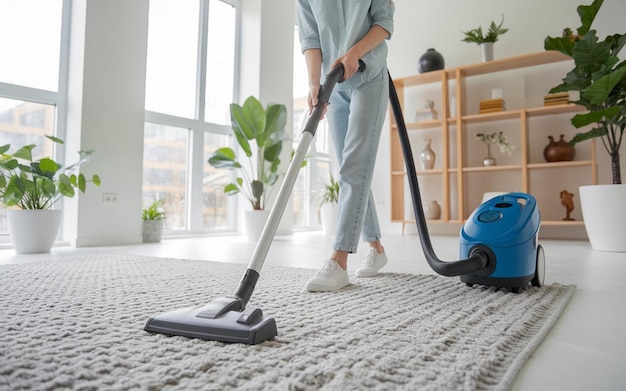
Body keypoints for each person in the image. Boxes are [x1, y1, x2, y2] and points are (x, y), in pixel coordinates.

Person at [296, 0, 395, 291]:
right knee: (351, 170)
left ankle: (338, 262)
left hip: (369, 74)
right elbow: (311, 37)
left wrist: (354, 53)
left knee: (354, 165)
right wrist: (314, 82)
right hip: (334, 84)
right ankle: (376, 249)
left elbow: (384, 23)